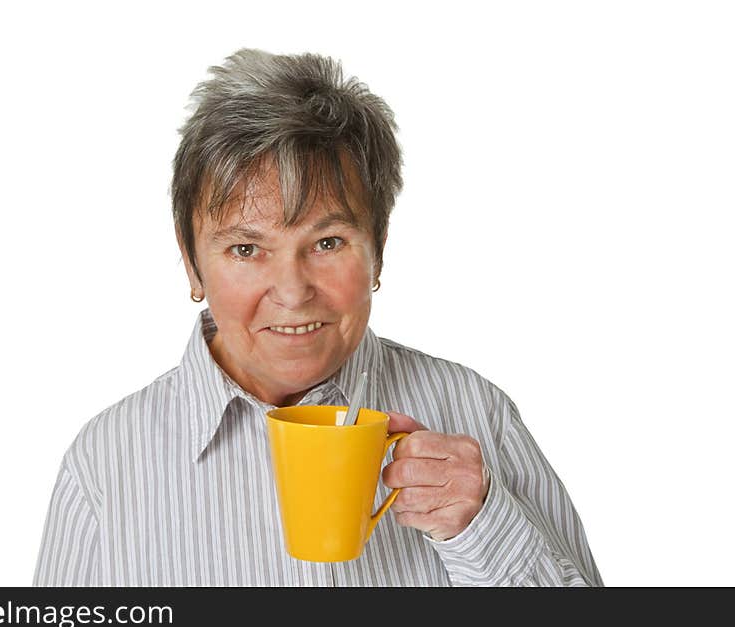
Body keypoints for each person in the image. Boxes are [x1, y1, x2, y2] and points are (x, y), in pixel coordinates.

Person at [33, 48, 602, 586]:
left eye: (327, 242)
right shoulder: (106, 460)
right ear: (192, 264)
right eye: (246, 249)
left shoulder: (476, 413)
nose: (292, 291)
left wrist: (483, 527)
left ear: (377, 247)